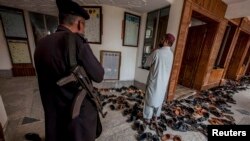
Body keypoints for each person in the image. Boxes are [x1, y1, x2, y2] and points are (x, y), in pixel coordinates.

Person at [34, 0, 104, 141]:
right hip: (77, 121)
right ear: (79, 24)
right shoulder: (77, 42)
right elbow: (99, 75)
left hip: (53, 115)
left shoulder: (41, 44)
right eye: (83, 25)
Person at [143, 33, 175, 123]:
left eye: (162, 39)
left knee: (150, 98)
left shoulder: (157, 52)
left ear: (166, 41)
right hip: (164, 81)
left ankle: (148, 118)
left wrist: (152, 52)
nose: (160, 40)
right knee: (160, 97)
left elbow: (146, 63)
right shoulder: (171, 54)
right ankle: (156, 116)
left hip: (154, 80)